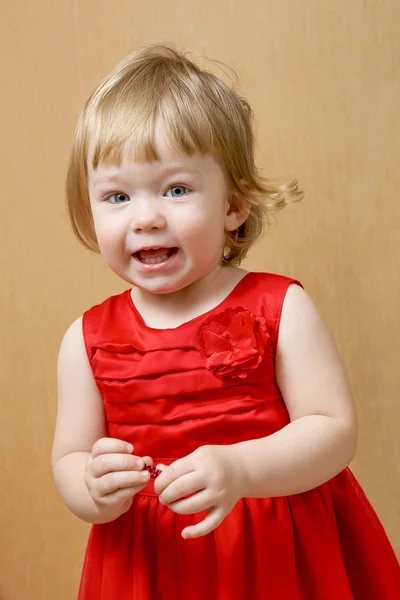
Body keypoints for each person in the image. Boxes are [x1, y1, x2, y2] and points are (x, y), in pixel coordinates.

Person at [52, 42, 400, 599]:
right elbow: (70, 455)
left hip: (272, 553)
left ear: (233, 205)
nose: (146, 218)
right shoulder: (86, 340)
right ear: (90, 213)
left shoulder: (280, 307)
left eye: (177, 189)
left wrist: (240, 469)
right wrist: (90, 487)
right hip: (153, 564)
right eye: (117, 196)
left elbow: (333, 431)